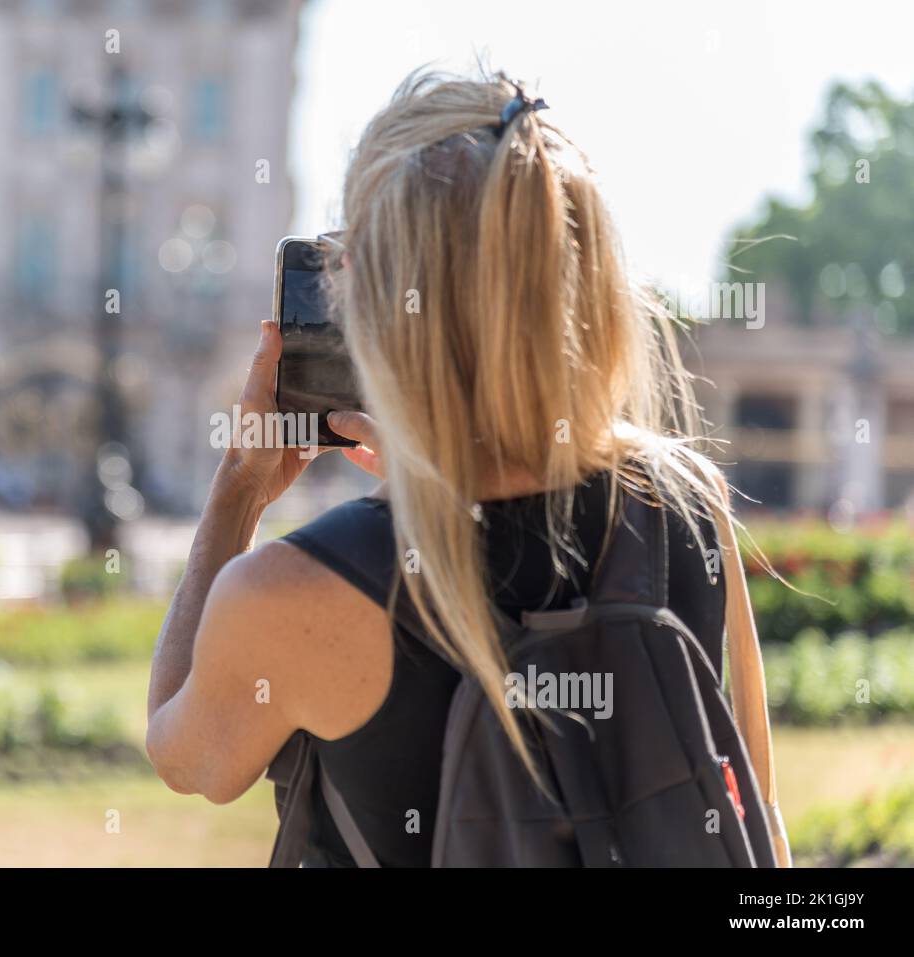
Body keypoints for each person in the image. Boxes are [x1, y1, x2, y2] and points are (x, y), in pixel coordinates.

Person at [145, 70, 733, 867]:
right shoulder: (687, 508)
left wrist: (241, 485)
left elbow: (186, 753)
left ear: (381, 298)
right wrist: (433, 479)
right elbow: (748, 803)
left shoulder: (303, 588)